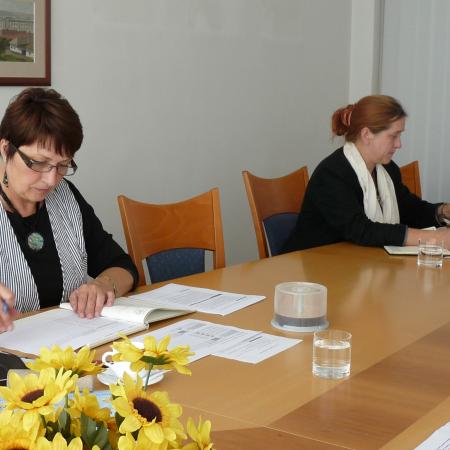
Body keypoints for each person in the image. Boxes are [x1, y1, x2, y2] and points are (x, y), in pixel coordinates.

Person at [0, 87, 138, 332]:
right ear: (5, 149)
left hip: (69, 345)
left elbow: (122, 265)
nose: (51, 180)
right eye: (39, 163)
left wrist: (103, 285)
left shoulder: (65, 196)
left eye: (63, 165)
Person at [282, 95, 450, 253]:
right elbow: (360, 229)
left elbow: (409, 209)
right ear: (367, 134)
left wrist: (443, 211)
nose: (399, 144)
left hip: (357, 262)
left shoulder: (388, 169)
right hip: (312, 265)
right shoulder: (331, 174)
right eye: (393, 136)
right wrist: (433, 238)